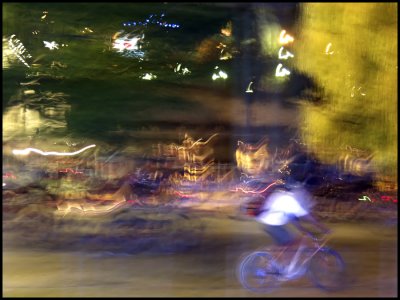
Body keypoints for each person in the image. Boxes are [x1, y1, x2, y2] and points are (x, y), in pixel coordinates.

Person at [255, 183, 330, 268]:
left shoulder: (281, 195)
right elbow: (307, 216)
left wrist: (303, 229)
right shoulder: (290, 200)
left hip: (269, 222)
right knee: (291, 242)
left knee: (288, 243)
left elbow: (292, 219)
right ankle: (272, 262)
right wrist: (323, 228)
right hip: (272, 224)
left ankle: (278, 262)